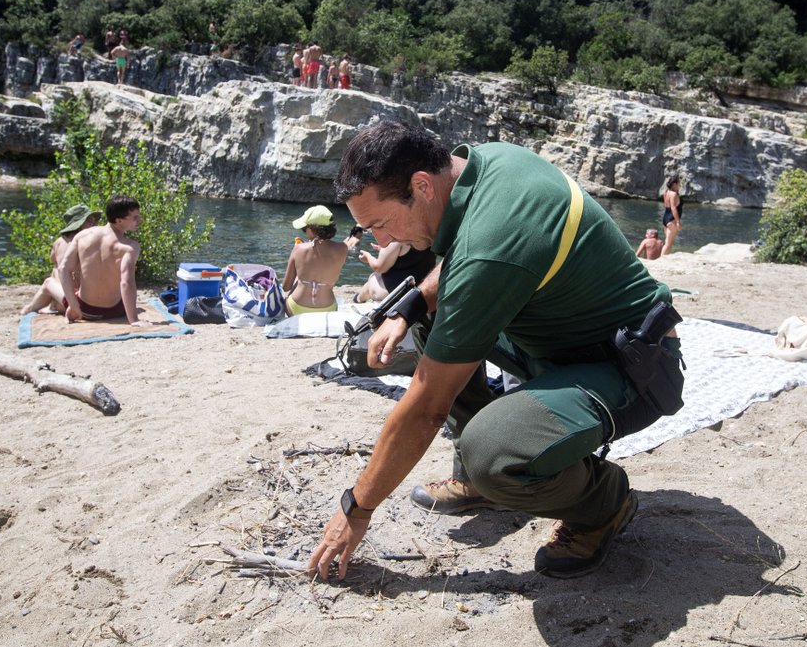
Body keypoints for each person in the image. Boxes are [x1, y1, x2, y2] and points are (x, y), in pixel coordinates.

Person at [307, 121, 680, 581]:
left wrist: (356, 507)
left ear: (421, 185)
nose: (383, 242)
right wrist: (408, 305)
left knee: (492, 453)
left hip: (630, 367)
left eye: (380, 224)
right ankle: (476, 480)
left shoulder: (491, 244)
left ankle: (604, 502)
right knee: (431, 315)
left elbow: (425, 409)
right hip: (561, 343)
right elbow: (466, 255)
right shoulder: (484, 164)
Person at [59, 195, 149, 326]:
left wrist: (73, 305)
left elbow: (63, 269)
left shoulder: (82, 235)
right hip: (113, 311)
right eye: (135, 217)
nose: (139, 220)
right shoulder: (129, 246)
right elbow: (126, 283)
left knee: (66, 290)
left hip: (83, 309)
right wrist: (134, 320)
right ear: (118, 220)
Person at [20, 204, 101, 315]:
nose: (93, 223)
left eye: (93, 220)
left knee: (53, 274)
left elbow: (52, 259)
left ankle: (33, 308)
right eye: (89, 220)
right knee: (58, 270)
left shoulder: (59, 242)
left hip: (78, 301)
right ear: (79, 224)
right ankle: (51, 304)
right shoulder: (91, 241)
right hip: (89, 299)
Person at [282, 205, 348, 315]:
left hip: (297, 309)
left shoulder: (298, 249)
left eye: (304, 229)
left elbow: (286, 287)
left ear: (312, 229)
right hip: (328, 309)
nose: (304, 231)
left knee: (298, 280)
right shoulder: (343, 248)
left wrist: (299, 255)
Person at [352, 240, 437, 303]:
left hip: (394, 294)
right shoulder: (428, 232)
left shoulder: (396, 235)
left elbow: (379, 267)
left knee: (374, 276)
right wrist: (385, 251)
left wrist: (368, 257)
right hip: (423, 292)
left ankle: (359, 299)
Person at [660, 175, 682, 256]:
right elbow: (673, 208)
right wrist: (678, 221)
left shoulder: (666, 192)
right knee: (668, 244)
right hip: (671, 220)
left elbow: (667, 205)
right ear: (675, 184)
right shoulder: (673, 194)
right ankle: (661, 261)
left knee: (667, 242)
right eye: (679, 184)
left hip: (665, 218)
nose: (680, 186)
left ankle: (664, 258)